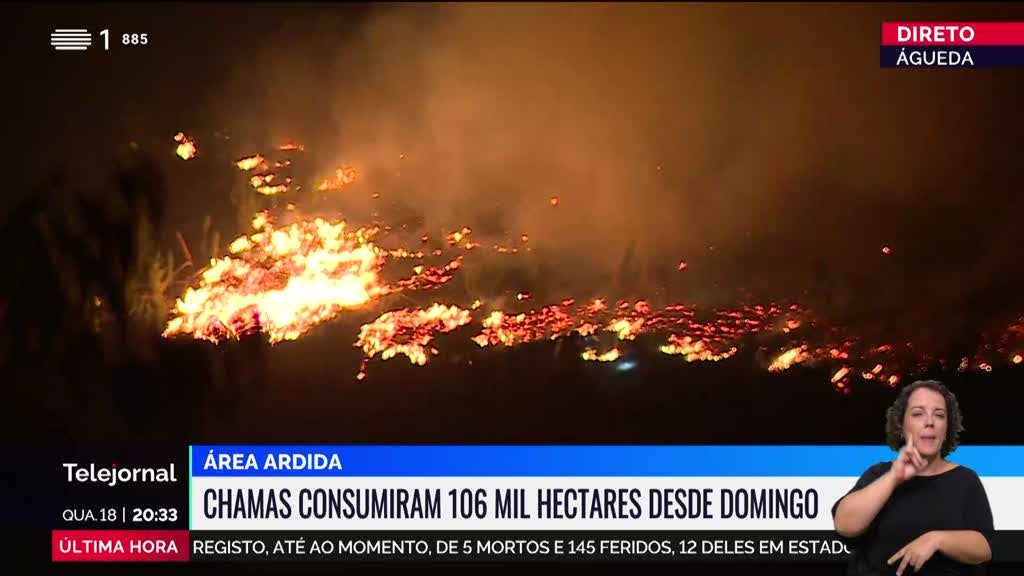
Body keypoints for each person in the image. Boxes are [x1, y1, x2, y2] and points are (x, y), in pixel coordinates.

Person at [831, 379, 994, 575]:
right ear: (901, 426)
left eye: (939, 415)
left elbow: (985, 547)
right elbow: (845, 525)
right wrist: (894, 478)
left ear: (947, 429)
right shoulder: (878, 474)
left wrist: (935, 539)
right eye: (918, 414)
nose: (930, 422)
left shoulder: (965, 479)